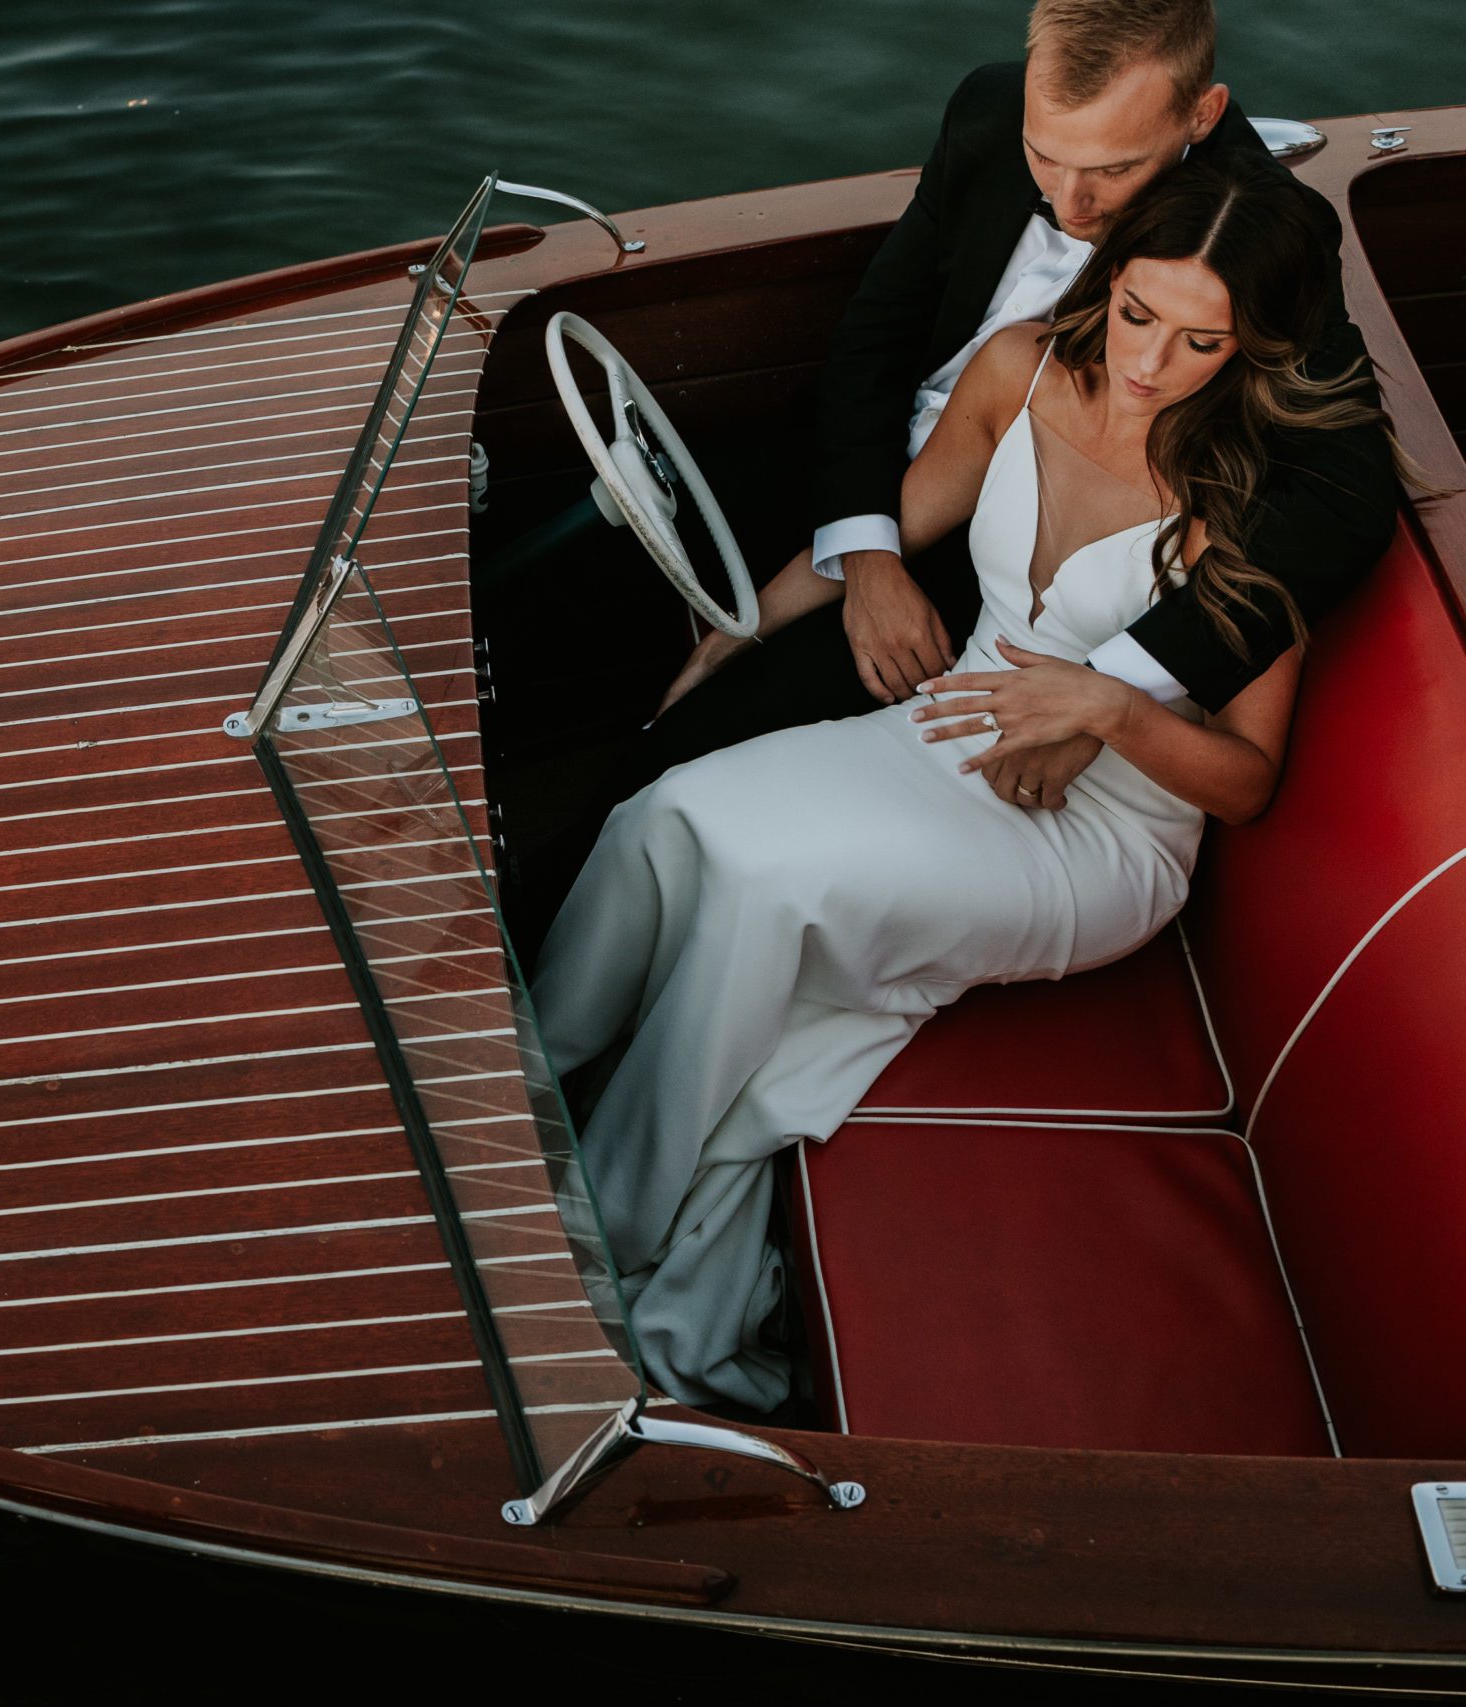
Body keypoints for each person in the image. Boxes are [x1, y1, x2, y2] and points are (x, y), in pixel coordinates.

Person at [528, 150, 1417, 1413]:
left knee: (769, 888)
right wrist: (737, 627)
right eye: (1139, 313)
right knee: (669, 810)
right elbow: (886, 533)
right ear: (1107, 282)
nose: (1155, 363)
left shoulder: (1256, 498)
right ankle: (528, 1090)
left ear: (1258, 347)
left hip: (1097, 835)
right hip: (940, 728)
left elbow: (1243, 786)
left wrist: (1108, 706)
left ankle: (597, 1235)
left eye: (1204, 343)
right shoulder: (1019, 370)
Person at [506, 0, 1397, 947]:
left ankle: (508, 952)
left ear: (1203, 115)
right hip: (889, 478)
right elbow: (875, 337)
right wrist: (867, 552)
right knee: (584, 559)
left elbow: (1345, 500)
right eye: (1045, 158)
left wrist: (1111, 690)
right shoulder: (986, 110)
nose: (1070, 202)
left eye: (1113, 170)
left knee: (694, 742)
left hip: (998, 552)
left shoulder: (1265, 231)